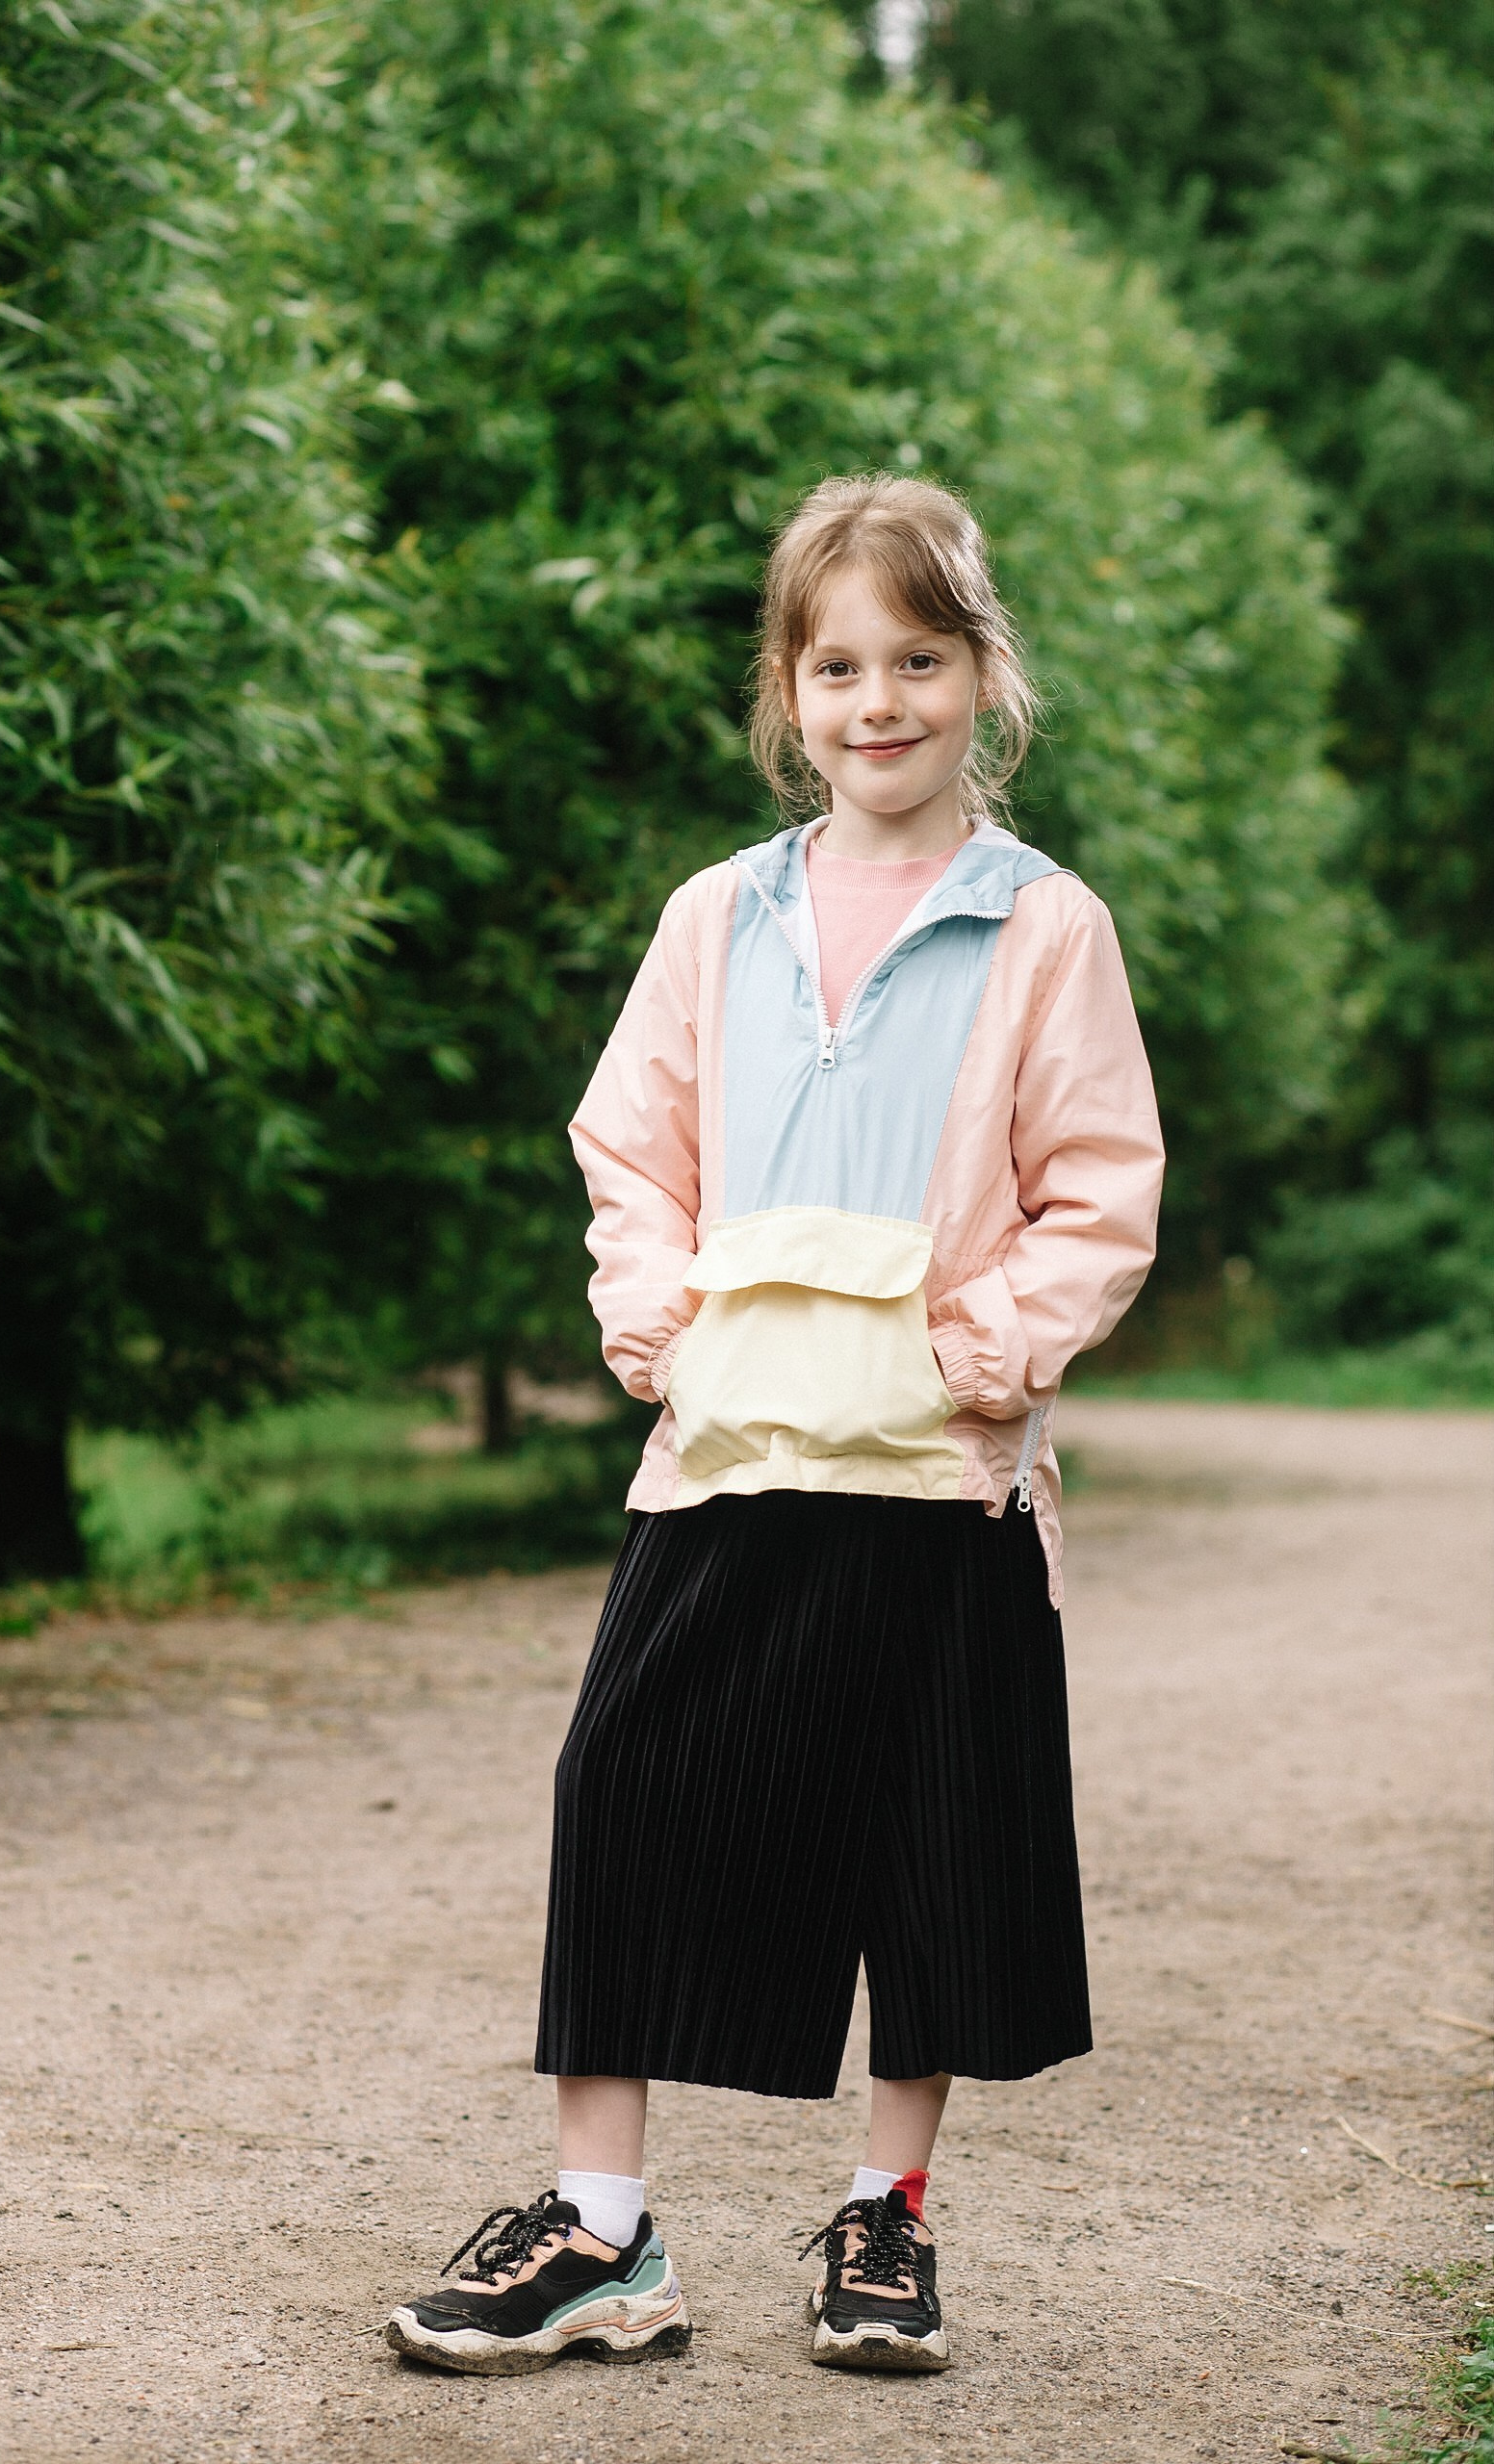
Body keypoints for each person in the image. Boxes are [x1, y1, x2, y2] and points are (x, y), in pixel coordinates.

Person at [386, 472, 1164, 2377]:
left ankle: (883, 2217)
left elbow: (1097, 1193)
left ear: (981, 672)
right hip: (731, 1454)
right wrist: (655, 1317)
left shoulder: (1039, 925)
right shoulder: (714, 915)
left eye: (916, 655)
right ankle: (599, 2229)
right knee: (623, 1782)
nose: (875, 695)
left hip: (935, 1476)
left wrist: (980, 1347)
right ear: (784, 687)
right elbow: (624, 1149)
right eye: (835, 662)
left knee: (923, 1840)